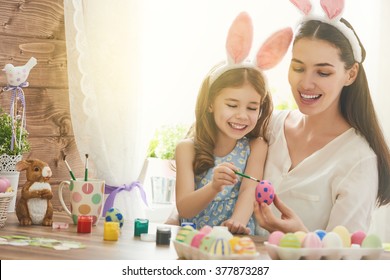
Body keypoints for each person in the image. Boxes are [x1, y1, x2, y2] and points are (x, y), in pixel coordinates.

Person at [254, 0, 390, 235]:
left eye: (323, 72)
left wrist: (301, 236)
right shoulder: (270, 127)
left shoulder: (358, 160)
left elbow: (344, 261)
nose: (306, 83)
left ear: (350, 74)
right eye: (298, 68)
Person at [174, 12, 292, 234]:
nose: (241, 115)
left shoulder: (256, 146)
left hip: (235, 240)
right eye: (232, 104)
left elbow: (249, 190)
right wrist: (214, 187)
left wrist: (236, 222)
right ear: (210, 103)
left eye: (251, 107)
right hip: (194, 240)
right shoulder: (187, 149)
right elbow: (184, 208)